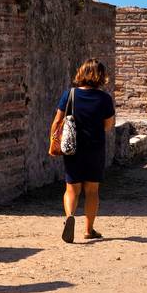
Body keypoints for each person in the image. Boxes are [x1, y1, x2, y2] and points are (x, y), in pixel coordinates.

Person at [52, 59, 115, 242]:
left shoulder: (69, 94)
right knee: (92, 190)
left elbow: (57, 121)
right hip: (95, 147)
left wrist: (53, 142)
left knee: (72, 188)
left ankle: (70, 216)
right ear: (101, 76)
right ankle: (89, 229)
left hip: (72, 148)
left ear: (81, 73)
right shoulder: (104, 98)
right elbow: (108, 125)